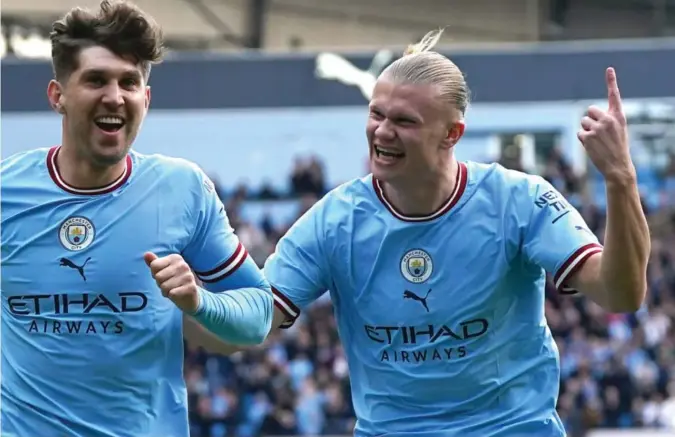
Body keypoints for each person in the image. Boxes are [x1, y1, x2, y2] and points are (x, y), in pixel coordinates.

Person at [199, 29, 651, 436]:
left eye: (405, 121)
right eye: (376, 114)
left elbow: (620, 294)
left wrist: (620, 178)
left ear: (452, 133)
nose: (382, 132)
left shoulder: (518, 201)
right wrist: (194, 301)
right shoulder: (333, 221)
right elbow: (251, 324)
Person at [0, 1, 274, 436]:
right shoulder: (6, 191)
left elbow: (258, 315)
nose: (115, 96)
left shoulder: (181, 188)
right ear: (58, 96)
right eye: (95, 80)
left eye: (129, 82)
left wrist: (197, 302)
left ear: (145, 99)